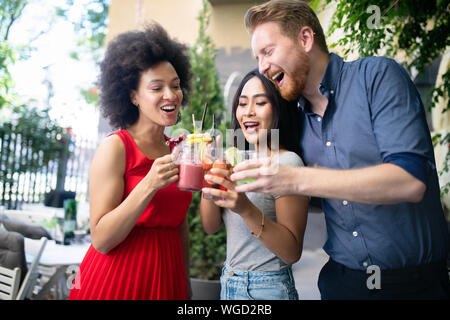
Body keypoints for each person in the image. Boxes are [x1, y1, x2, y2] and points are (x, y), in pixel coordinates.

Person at [231, 0, 450, 299]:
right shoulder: (296, 119)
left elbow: (410, 181)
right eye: (258, 57)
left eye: (268, 52)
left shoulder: (376, 77)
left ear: (306, 39)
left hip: (413, 285)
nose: (262, 67)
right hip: (341, 283)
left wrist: (294, 179)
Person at [69, 23, 193, 300]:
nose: (171, 95)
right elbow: (100, 239)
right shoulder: (116, 148)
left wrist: (185, 283)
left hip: (168, 277)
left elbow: (180, 225)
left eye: (175, 86)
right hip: (117, 278)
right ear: (133, 96)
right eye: (156, 87)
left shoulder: (179, 149)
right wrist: (148, 184)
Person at [200, 69, 309, 300]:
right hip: (229, 282)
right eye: (242, 103)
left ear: (278, 108)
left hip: (268, 289)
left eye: (260, 103)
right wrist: (210, 173)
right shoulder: (237, 161)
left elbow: (291, 253)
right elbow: (211, 227)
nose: (248, 112)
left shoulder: (288, 163)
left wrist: (245, 209)